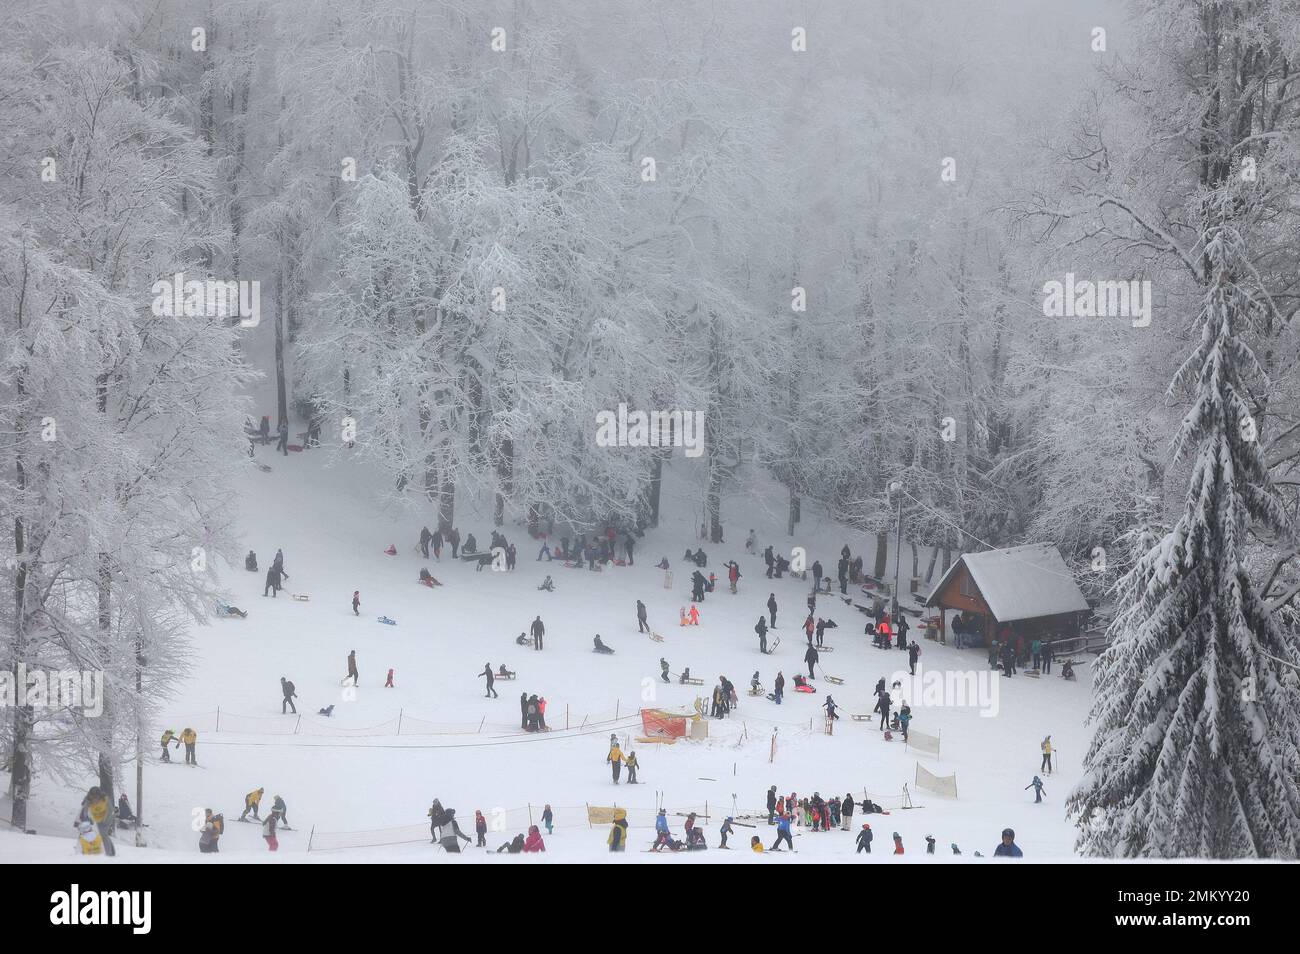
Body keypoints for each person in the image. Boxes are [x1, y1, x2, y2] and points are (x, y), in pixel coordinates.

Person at [79, 787, 115, 856]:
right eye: (93, 797)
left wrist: (105, 820)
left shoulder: (105, 799)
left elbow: (110, 811)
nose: (95, 799)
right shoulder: (88, 800)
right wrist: (85, 818)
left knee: (103, 835)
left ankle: (109, 853)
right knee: (95, 834)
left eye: (96, 797)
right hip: (96, 819)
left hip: (107, 819)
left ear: (99, 796)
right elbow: (85, 810)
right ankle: (87, 850)